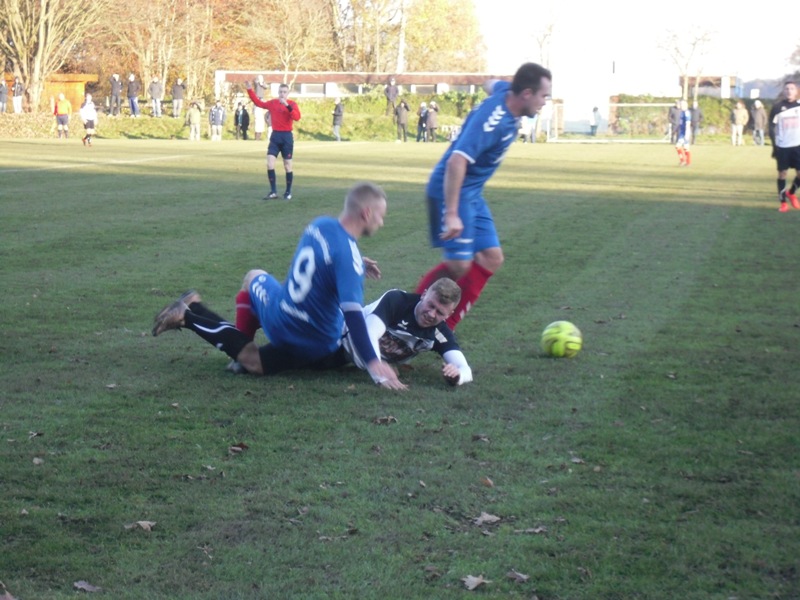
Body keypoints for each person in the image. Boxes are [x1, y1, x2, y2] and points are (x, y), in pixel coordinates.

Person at [151, 181, 406, 390]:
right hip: (309, 339)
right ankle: (188, 318)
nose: (381, 223)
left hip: (280, 310)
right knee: (255, 361)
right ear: (367, 213)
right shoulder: (347, 258)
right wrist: (374, 364)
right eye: (381, 216)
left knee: (253, 276)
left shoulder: (321, 225)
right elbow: (353, 317)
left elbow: (327, 258)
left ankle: (207, 316)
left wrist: (355, 263)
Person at [415, 62, 552, 330]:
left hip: (472, 194)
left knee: (491, 258)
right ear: (526, 93)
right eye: (543, 96)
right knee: (458, 265)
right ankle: (406, 323)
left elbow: (491, 83)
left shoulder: (505, 92)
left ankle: (444, 331)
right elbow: (457, 161)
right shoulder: (494, 122)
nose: (544, 102)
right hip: (451, 190)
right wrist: (452, 213)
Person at [245, 80, 301, 200]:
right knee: (270, 164)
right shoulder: (273, 103)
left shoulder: (292, 104)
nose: (282, 94)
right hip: (275, 136)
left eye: (284, 92)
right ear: (278, 92)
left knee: (287, 166)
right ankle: (273, 191)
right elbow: (258, 103)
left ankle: (288, 192)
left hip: (286, 137)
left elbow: (297, 117)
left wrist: (286, 105)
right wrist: (250, 90)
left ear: (288, 93)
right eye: (280, 92)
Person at [768, 81, 800, 212]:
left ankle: (791, 193)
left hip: (798, 146)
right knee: (782, 174)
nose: (789, 91)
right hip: (783, 146)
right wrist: (775, 146)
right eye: (787, 88)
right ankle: (783, 203)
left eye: (792, 88)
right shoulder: (777, 107)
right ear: (784, 91)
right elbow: (771, 127)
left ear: (796, 91)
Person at [675, 99, 692, 166]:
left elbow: (688, 123)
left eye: (682, 104)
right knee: (679, 146)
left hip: (685, 132)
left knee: (683, 147)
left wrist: (687, 133)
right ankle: (684, 161)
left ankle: (686, 162)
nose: (681, 105)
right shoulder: (682, 112)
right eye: (681, 104)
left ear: (685, 105)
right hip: (682, 132)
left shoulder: (686, 112)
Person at [252, 75, 268, 141]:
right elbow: (255, 83)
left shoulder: (263, 83)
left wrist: (262, 83)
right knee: (257, 122)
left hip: (261, 99)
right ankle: (256, 137)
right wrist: (259, 82)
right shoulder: (257, 82)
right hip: (257, 98)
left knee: (261, 122)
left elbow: (266, 87)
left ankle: (259, 136)